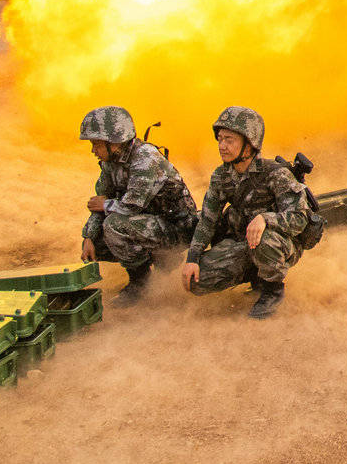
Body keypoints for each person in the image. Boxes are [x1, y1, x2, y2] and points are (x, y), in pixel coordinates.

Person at [180, 106, 310, 319]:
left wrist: (265, 219)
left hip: (278, 244)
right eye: (220, 139)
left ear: (249, 144)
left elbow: (300, 218)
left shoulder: (276, 174)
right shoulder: (222, 176)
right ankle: (255, 273)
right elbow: (207, 221)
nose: (222, 146)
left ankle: (272, 290)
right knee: (197, 282)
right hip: (243, 243)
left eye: (229, 140)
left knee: (265, 238)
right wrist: (192, 258)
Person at [78, 105, 198, 306]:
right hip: (149, 223)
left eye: (96, 145)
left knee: (114, 225)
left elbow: (130, 206)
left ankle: (141, 283)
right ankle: (160, 259)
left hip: (178, 228)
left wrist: (105, 204)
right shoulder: (111, 162)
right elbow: (101, 203)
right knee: (98, 242)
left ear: (114, 142)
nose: (93, 151)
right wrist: (88, 236)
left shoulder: (145, 158)